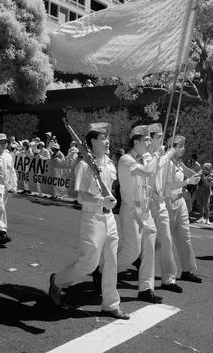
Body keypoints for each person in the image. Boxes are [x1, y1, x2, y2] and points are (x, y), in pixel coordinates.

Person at [48, 122, 129, 319]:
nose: (108, 141)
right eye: (103, 138)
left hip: (108, 218)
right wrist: (102, 200)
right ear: (92, 141)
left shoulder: (109, 164)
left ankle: (111, 303)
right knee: (89, 264)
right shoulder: (85, 165)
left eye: (107, 138)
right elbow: (81, 197)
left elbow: (111, 189)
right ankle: (57, 281)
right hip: (92, 217)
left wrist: (111, 201)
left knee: (111, 262)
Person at [115, 125, 163, 303]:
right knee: (132, 252)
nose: (150, 143)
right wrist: (156, 156)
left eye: (151, 139)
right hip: (130, 211)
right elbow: (146, 172)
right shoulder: (126, 160)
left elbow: (152, 176)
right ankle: (102, 268)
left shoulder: (145, 159)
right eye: (147, 140)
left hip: (145, 211)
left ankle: (146, 288)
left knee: (149, 250)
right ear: (136, 142)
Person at [146, 123, 185, 293]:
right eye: (159, 137)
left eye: (162, 136)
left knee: (166, 240)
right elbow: (156, 166)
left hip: (161, 204)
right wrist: (170, 152)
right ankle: (103, 269)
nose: (162, 139)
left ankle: (168, 279)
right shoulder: (147, 156)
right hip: (147, 204)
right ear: (150, 139)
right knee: (136, 247)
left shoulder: (161, 154)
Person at [164, 135, 204, 283]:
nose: (183, 149)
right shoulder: (166, 163)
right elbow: (168, 185)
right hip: (168, 202)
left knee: (185, 237)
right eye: (180, 146)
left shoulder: (179, 163)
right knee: (160, 241)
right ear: (173, 147)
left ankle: (187, 270)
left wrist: (200, 175)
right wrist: (188, 181)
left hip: (180, 201)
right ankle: (141, 258)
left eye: (183, 146)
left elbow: (192, 175)